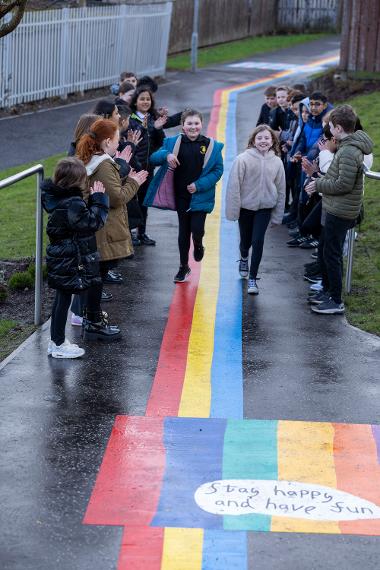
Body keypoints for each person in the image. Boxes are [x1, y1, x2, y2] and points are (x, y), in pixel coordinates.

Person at [76, 119, 149, 331]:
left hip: (97, 226)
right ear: (107, 141)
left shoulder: (95, 159)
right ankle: (94, 321)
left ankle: (93, 318)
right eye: (118, 140)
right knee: (96, 276)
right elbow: (116, 197)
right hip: (103, 228)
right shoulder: (104, 163)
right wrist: (134, 181)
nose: (119, 144)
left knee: (96, 274)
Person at [305, 104, 373, 315]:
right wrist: (320, 179)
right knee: (326, 250)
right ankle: (327, 291)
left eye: (331, 126)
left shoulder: (348, 151)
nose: (329, 131)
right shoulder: (347, 146)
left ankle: (335, 300)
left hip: (341, 210)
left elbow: (343, 184)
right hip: (335, 207)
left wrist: (318, 185)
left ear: (339, 128)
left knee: (332, 254)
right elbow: (337, 177)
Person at [144, 109, 224, 282]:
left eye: (196, 123)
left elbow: (218, 170)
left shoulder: (212, 146)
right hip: (181, 195)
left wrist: (199, 185)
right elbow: (154, 158)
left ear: (201, 124)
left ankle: (198, 243)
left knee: (197, 229)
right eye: (189, 123)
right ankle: (183, 266)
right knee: (183, 231)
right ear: (183, 125)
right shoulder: (173, 142)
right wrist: (167, 154)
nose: (193, 127)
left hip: (201, 195)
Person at [41, 157, 109, 358]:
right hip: (69, 257)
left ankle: (56, 341)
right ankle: (59, 344)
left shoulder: (58, 199)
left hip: (62, 255)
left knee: (61, 298)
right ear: (75, 181)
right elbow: (93, 223)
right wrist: (99, 198)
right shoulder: (73, 203)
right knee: (63, 298)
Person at [225, 125, 286, 295]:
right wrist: (233, 211)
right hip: (246, 207)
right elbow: (234, 186)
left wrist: (277, 216)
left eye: (267, 138)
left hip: (265, 208)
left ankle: (253, 277)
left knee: (258, 241)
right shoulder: (242, 159)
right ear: (253, 140)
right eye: (259, 138)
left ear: (273, 140)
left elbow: (281, 189)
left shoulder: (277, 162)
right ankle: (244, 257)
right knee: (246, 241)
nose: (263, 141)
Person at [129, 86, 167, 245]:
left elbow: (160, 142)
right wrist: (151, 127)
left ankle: (141, 233)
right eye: (142, 99)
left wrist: (157, 129)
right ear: (135, 102)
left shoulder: (153, 119)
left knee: (144, 201)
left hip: (147, 168)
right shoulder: (130, 119)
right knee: (130, 200)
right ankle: (128, 234)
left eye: (148, 99)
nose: (145, 102)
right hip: (132, 168)